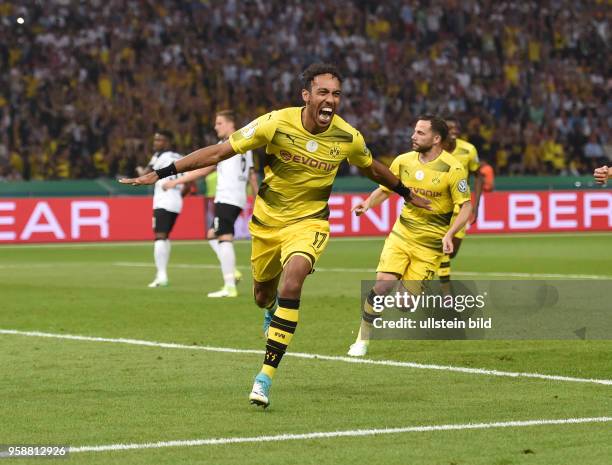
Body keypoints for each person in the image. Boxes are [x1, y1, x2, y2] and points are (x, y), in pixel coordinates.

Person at [119, 63, 430, 408]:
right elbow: (221, 151)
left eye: (336, 94)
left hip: (309, 222)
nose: (330, 100)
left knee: (293, 281)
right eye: (323, 92)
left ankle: (265, 376)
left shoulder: (347, 137)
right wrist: (163, 171)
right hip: (267, 225)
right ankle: (269, 309)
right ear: (306, 95)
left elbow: (371, 167)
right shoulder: (275, 123)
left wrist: (404, 191)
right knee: (261, 295)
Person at [347, 115, 472, 357]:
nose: (413, 136)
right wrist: (368, 204)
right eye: (414, 131)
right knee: (382, 285)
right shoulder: (403, 161)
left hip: (430, 245)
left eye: (420, 133)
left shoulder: (453, 168)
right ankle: (362, 339)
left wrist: (450, 234)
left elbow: (466, 206)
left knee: (405, 304)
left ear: (436, 139)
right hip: (401, 235)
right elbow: (386, 188)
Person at [163, 110, 259, 298]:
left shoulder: (226, 145)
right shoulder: (246, 144)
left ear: (231, 124)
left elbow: (203, 170)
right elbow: (252, 176)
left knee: (224, 237)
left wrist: (175, 181)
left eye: (219, 123)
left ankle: (229, 285)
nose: (216, 127)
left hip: (227, 197)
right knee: (212, 234)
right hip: (237, 198)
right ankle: (232, 271)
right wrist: (257, 200)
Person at [138, 130, 191, 288]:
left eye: (159, 140)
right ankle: (162, 273)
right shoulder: (181, 157)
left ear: (167, 142)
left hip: (163, 200)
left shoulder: (161, 157)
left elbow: (146, 175)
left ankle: (161, 275)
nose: (156, 143)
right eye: (155, 140)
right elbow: (188, 184)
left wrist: (139, 170)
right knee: (165, 236)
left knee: (159, 236)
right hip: (176, 201)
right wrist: (179, 194)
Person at [436, 117, 482, 285]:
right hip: (439, 205)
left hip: (462, 206)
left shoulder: (468, 150)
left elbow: (478, 176)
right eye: (450, 128)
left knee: (451, 251)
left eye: (456, 127)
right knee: (443, 250)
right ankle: (446, 293)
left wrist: (476, 206)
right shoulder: (435, 150)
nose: (454, 130)